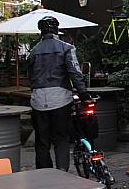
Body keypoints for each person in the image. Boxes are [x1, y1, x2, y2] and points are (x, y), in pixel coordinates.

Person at [27, 16, 91, 171]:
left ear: (40, 31)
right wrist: (84, 94)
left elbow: (30, 77)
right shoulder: (66, 48)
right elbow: (75, 73)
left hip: (38, 99)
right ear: (56, 29)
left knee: (42, 141)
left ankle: (44, 174)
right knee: (61, 138)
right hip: (60, 98)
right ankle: (62, 173)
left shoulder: (33, 52)